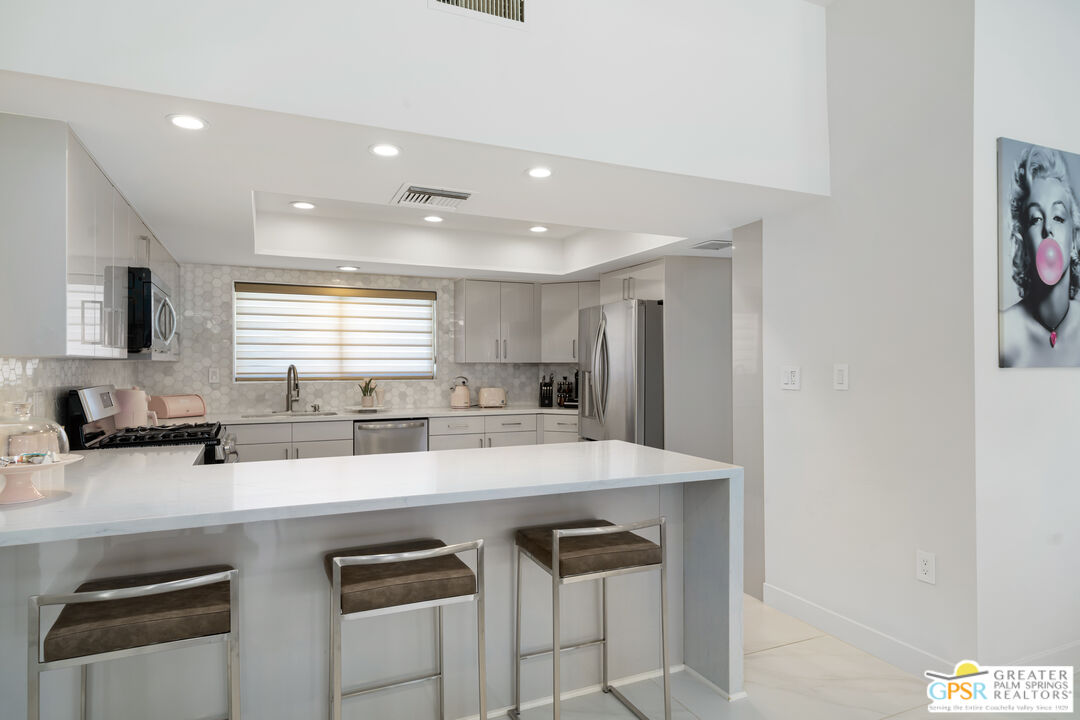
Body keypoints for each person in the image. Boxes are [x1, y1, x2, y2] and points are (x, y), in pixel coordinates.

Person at [999, 144, 1080, 367]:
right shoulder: (1005, 336)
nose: (1048, 229)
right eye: (1036, 219)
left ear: (1073, 240)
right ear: (1024, 243)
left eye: (1058, 217)